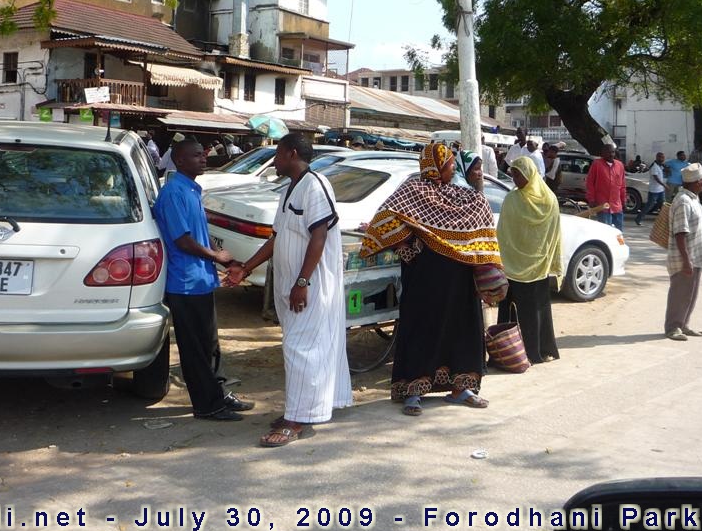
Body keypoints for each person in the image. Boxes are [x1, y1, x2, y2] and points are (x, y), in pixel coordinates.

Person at [224, 134, 352, 447]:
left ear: (292, 154)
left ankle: (296, 421)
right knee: (298, 350)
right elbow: (277, 238)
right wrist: (246, 268)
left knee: (301, 351)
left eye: (278, 154)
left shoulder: (315, 185)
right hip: (291, 287)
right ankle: (298, 411)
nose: (275, 161)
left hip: (311, 287)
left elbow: (319, 237)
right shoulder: (289, 188)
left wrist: (302, 282)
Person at [360, 143, 502, 416]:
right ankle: (413, 390)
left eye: (453, 164)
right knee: (421, 329)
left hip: (461, 280)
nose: (452, 169)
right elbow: (384, 221)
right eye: (448, 164)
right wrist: (406, 248)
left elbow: (483, 221)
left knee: (463, 330)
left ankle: (462, 389)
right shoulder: (412, 192)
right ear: (433, 166)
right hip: (423, 279)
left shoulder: (465, 196)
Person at [152, 138, 254, 420]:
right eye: (196, 155)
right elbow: (182, 240)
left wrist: (227, 262)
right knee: (195, 348)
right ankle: (207, 405)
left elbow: (199, 235)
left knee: (210, 344)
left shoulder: (191, 189)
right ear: (180, 160)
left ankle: (219, 393)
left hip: (201, 279)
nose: (204, 158)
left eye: (203, 154)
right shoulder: (173, 193)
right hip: (184, 282)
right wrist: (215, 256)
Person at [497, 156, 561, 363]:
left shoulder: (549, 200)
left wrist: (549, 258)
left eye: (518, 175)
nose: (515, 179)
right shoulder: (511, 199)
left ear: (530, 174)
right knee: (512, 312)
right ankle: (508, 353)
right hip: (512, 266)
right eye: (513, 175)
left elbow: (553, 234)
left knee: (537, 311)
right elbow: (503, 233)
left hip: (537, 268)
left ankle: (538, 351)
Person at [665, 163, 702, 341]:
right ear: (697, 182)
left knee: (690, 294)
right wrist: (686, 260)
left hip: (696, 255)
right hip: (685, 258)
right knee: (680, 294)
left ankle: (683, 324)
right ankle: (673, 327)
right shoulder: (683, 201)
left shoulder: (693, 199)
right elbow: (680, 233)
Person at [586, 142, 626, 230]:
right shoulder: (597, 164)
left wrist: (624, 200)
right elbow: (590, 183)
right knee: (606, 232)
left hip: (617, 206)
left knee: (618, 233)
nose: (611, 154)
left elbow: (622, 185)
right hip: (603, 206)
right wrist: (591, 199)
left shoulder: (620, 165)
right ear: (603, 153)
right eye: (608, 152)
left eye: (613, 152)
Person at [635, 152, 667, 226]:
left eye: (663, 157)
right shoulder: (654, 167)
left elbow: (664, 172)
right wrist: (664, 185)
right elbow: (656, 178)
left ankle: (664, 221)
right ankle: (638, 219)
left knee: (663, 206)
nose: (662, 159)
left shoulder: (660, 166)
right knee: (649, 206)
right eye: (660, 157)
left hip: (660, 190)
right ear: (657, 157)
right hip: (654, 191)